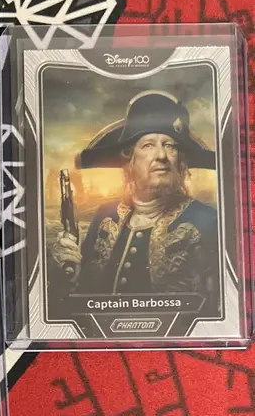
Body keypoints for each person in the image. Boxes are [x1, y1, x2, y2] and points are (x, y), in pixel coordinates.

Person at [50, 91, 219, 308]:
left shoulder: (207, 220)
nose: (162, 156)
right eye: (148, 145)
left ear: (180, 160)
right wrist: (66, 274)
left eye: (170, 146)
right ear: (129, 159)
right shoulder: (106, 216)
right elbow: (79, 296)